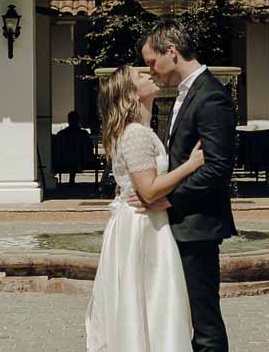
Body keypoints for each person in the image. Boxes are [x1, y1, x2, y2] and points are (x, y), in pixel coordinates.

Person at [132, 18, 237, 352]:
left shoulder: (211, 97)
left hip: (197, 226)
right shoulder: (185, 93)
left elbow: (218, 168)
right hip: (180, 225)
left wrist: (170, 199)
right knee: (181, 315)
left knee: (203, 319)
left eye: (152, 62)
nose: (151, 71)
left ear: (172, 52)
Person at [85, 65, 205, 352]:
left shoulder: (140, 131)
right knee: (152, 297)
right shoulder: (137, 133)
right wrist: (191, 165)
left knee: (150, 301)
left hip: (146, 219)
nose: (149, 75)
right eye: (140, 76)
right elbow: (149, 189)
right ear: (131, 94)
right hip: (143, 225)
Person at [55, 111, 93, 184]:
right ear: (78, 120)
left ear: (68, 120)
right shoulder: (83, 134)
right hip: (80, 159)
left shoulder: (61, 134)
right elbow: (89, 147)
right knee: (74, 156)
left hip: (64, 159)